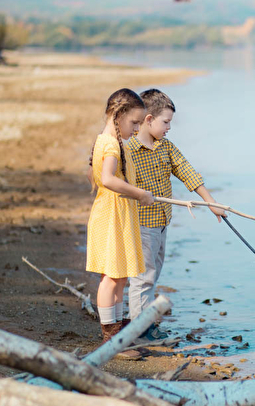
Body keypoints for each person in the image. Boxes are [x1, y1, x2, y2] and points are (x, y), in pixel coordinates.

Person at [123, 89, 226, 340]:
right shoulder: (129, 150)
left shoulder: (165, 146)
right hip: (141, 225)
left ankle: (144, 322)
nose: (169, 128)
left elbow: (186, 170)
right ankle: (139, 329)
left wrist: (210, 202)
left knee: (153, 274)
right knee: (142, 278)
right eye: (166, 122)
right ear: (148, 119)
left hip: (161, 223)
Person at [86, 88, 154, 345]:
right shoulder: (111, 144)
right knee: (111, 277)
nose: (136, 129)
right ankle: (110, 335)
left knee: (120, 275)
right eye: (134, 122)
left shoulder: (109, 141)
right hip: (111, 216)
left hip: (119, 214)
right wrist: (140, 194)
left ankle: (116, 327)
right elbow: (107, 179)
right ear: (119, 114)